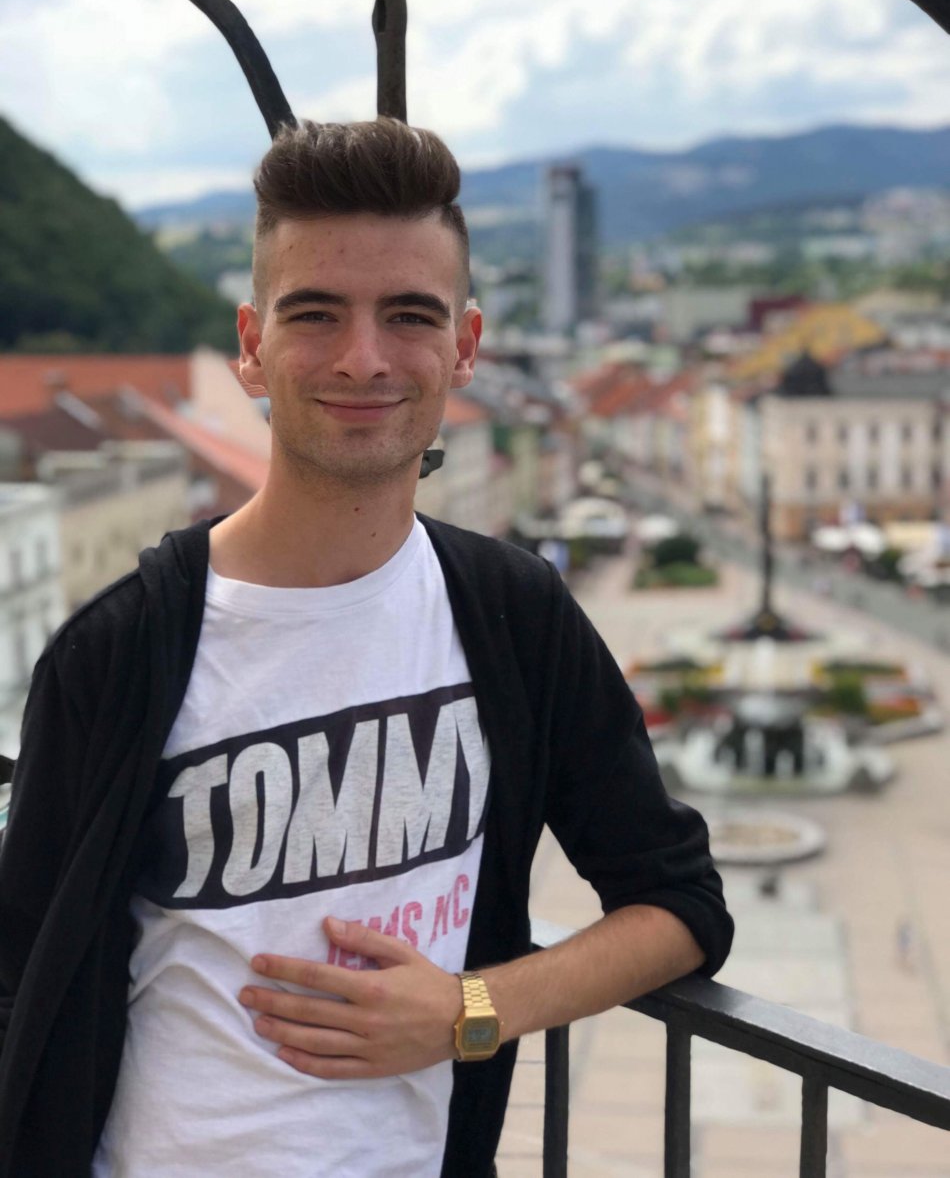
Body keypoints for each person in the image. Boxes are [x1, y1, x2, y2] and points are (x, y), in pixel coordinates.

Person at [0, 117, 733, 1178]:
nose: (362, 357)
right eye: (315, 314)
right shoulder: (120, 650)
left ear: (464, 346)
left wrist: (470, 1009)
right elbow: (22, 973)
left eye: (408, 314)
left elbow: (680, 904)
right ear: (252, 344)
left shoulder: (512, 615)